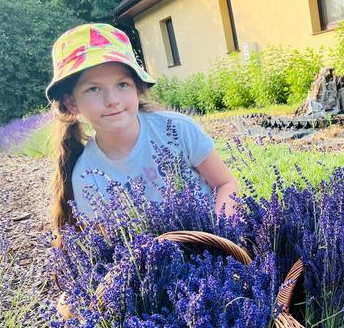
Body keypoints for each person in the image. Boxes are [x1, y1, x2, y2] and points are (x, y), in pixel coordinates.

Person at [46, 23, 238, 230]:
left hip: (215, 243)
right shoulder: (87, 176)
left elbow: (226, 184)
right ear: (72, 103)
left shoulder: (177, 129)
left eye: (122, 85)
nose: (112, 100)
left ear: (137, 88)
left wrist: (222, 230)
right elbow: (112, 243)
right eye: (93, 89)